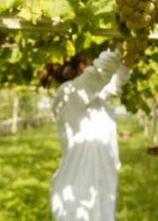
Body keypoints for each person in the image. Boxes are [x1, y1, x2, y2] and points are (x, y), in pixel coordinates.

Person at [42, 45, 136, 221]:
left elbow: (112, 86)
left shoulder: (87, 100)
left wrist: (128, 59)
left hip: (95, 183)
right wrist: (120, 47)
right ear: (80, 67)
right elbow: (100, 74)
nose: (91, 64)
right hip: (78, 186)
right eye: (88, 62)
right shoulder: (69, 94)